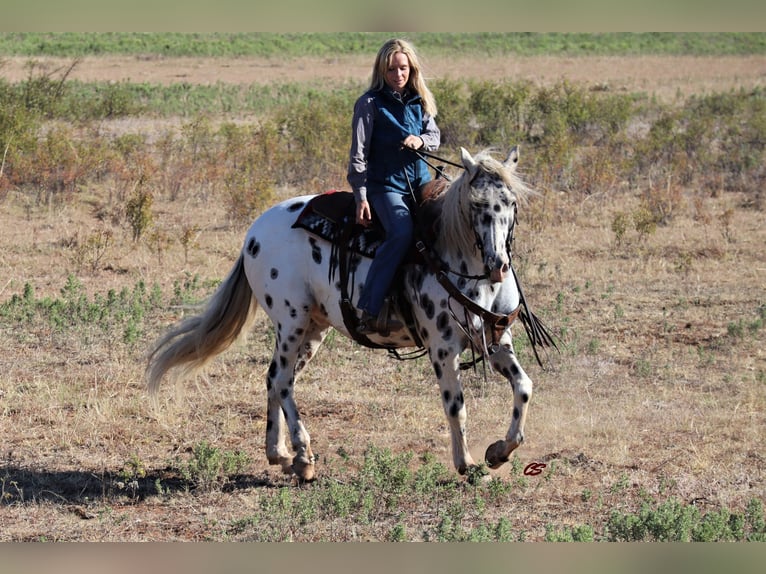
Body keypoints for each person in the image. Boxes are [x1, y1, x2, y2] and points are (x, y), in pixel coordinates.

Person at [347, 38, 441, 335]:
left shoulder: (421, 100)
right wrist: (361, 197)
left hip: (420, 181)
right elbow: (358, 155)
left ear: (412, 69)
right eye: (391, 69)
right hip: (385, 186)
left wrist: (421, 141)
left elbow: (434, 137)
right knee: (401, 232)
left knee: (450, 223)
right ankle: (370, 309)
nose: (398, 74)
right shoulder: (370, 104)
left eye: (403, 68)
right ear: (381, 71)